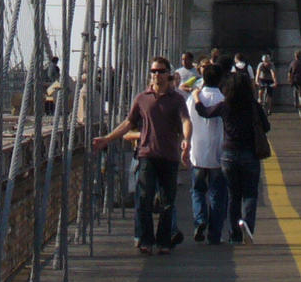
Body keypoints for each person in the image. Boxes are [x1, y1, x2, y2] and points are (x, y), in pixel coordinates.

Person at [94, 56, 192, 254]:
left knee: (167, 201)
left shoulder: (177, 99)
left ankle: (164, 241)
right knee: (145, 198)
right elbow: (128, 124)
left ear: (169, 74)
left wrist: (187, 140)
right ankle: (146, 240)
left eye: (161, 71)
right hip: (147, 154)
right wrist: (107, 138)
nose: (157, 75)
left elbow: (185, 121)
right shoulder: (141, 98)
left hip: (169, 156)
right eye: (154, 71)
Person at [197, 66, 270, 243]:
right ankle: (248, 228)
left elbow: (204, 113)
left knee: (233, 195)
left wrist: (195, 98)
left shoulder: (225, 106)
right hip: (250, 154)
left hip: (228, 155)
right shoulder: (254, 106)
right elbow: (266, 127)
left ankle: (234, 235)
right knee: (251, 194)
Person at [186, 62, 230, 244]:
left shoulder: (192, 99)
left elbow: (186, 121)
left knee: (197, 190)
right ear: (221, 79)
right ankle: (214, 234)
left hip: (197, 152)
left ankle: (200, 220)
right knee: (217, 194)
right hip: (219, 154)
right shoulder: (225, 100)